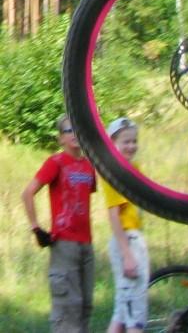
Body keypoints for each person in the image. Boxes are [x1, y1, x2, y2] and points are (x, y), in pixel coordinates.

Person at [22, 114, 96, 333]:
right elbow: (27, 193)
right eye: (68, 130)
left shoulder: (89, 166)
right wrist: (36, 228)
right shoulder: (56, 163)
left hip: (86, 244)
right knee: (68, 307)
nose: (74, 134)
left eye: (77, 129)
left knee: (85, 306)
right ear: (60, 138)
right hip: (64, 244)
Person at [101, 117, 150, 333]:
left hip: (133, 236)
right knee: (135, 312)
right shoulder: (115, 172)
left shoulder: (133, 168)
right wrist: (127, 254)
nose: (131, 146)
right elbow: (114, 216)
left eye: (134, 141)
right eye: (125, 142)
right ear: (112, 143)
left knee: (122, 310)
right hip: (127, 240)